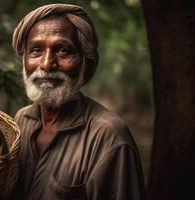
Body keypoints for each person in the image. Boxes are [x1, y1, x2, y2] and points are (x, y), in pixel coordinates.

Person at [12, 3, 146, 200]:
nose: (47, 64)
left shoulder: (109, 136)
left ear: (86, 62)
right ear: (24, 61)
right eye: (36, 50)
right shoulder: (21, 120)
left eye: (63, 50)